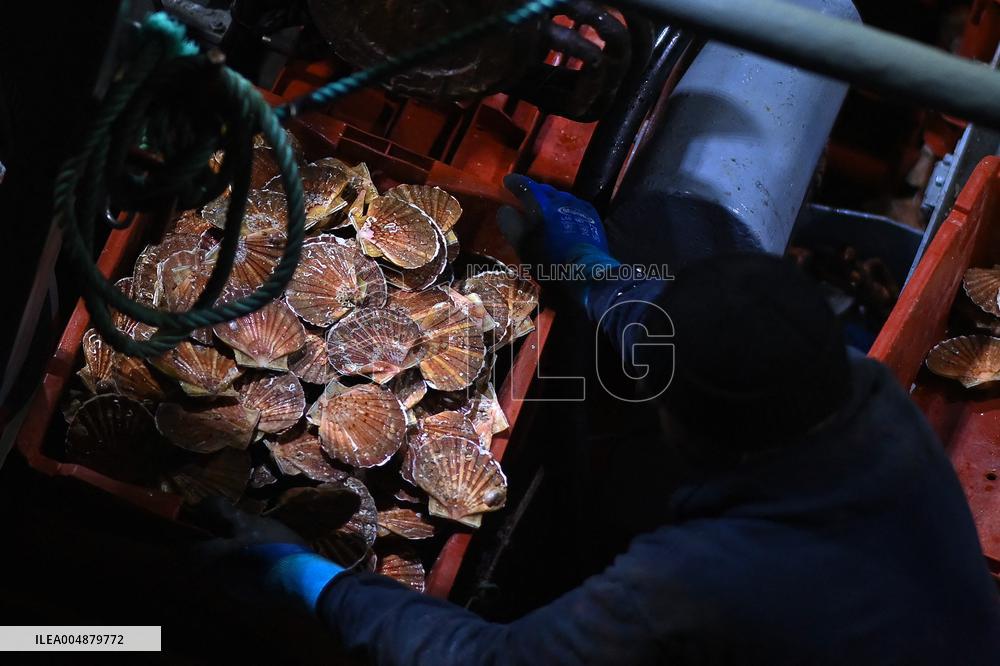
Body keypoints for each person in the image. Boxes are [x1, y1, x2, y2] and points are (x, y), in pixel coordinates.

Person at [196, 176, 1000, 665]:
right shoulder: (864, 399)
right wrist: (593, 271)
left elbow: (484, 658)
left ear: (687, 428)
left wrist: (310, 578)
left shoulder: (696, 578)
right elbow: (675, 333)